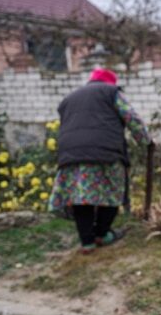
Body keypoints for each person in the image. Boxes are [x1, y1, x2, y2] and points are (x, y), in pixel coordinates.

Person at [49, 67, 151, 254]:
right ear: (110, 82)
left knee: (81, 197)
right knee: (113, 192)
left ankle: (86, 242)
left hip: (70, 154)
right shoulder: (110, 92)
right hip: (105, 152)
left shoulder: (69, 98)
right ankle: (101, 234)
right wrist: (145, 140)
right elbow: (130, 116)